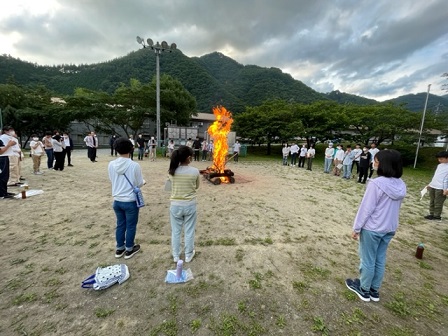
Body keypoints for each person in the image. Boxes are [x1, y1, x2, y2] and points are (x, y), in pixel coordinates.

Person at [346, 149, 406, 302]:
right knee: (379, 259)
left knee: (368, 259)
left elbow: (366, 208)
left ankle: (364, 289)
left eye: (377, 161)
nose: (374, 163)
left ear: (384, 165)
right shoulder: (401, 184)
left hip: (373, 228)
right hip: (389, 228)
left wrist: (356, 227)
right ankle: (374, 289)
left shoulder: (376, 184)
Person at [108, 137, 145, 260]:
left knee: (120, 225)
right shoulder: (134, 165)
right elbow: (139, 183)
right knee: (131, 225)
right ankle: (129, 249)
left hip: (117, 200)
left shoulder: (111, 164)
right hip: (130, 201)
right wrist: (143, 182)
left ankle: (120, 248)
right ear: (131, 149)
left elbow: (112, 179)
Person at [168, 145, 200, 263]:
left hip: (175, 205)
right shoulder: (195, 171)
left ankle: (176, 255)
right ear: (188, 158)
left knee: (176, 231)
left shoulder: (172, 171)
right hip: (190, 204)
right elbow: (196, 186)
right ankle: (188, 254)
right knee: (189, 230)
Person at [424, 151, 448, 220]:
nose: (439, 160)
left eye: (441, 159)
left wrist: (447, 190)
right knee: (432, 201)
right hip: (433, 186)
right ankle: (431, 214)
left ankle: (437, 216)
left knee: (438, 203)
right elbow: (436, 176)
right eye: (438, 159)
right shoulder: (439, 166)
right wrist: (430, 184)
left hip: (441, 188)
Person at [0, 128, 17, 199]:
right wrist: (8, 145)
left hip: (5, 157)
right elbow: (1, 151)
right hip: (2, 158)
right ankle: (2, 193)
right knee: (2, 176)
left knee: (5, 176)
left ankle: (4, 191)